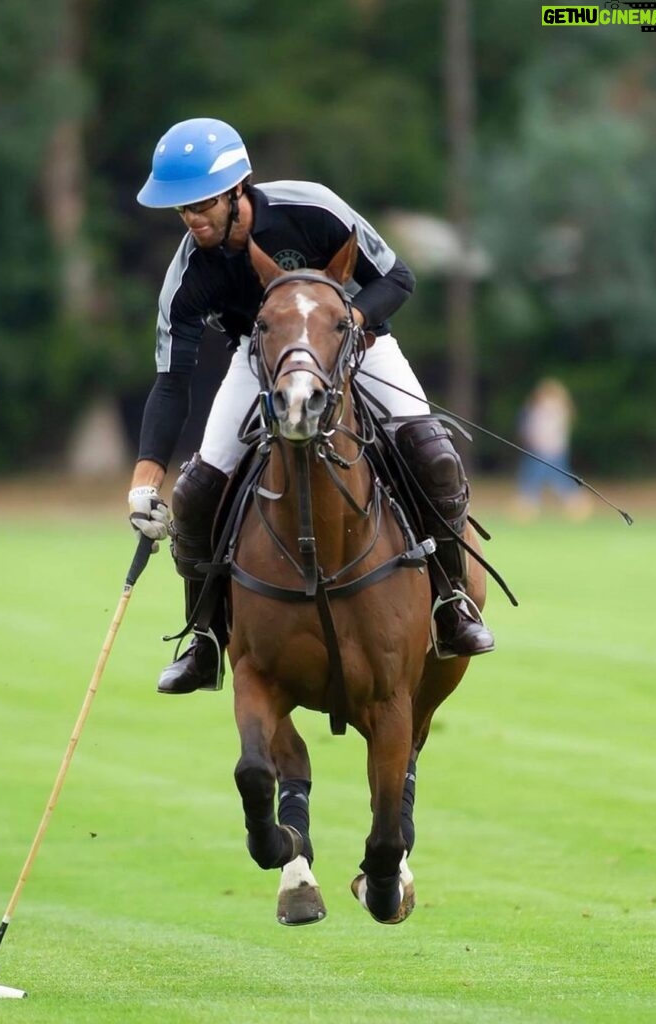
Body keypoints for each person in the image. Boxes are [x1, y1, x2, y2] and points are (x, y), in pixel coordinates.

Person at [128, 117, 494, 695]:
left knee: (433, 452)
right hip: (259, 360)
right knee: (197, 490)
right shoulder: (189, 273)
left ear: (235, 191)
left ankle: (451, 601)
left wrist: (348, 320)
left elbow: (397, 278)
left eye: (201, 204)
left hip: (348, 338)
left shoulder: (312, 208)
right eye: (182, 210)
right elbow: (171, 382)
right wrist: (145, 483)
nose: (192, 219)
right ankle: (203, 638)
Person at [514, 377, 591, 521]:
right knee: (548, 478)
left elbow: (541, 431)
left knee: (539, 478)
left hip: (547, 450)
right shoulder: (551, 409)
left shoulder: (550, 409)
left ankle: (528, 505)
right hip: (545, 450)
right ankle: (575, 503)